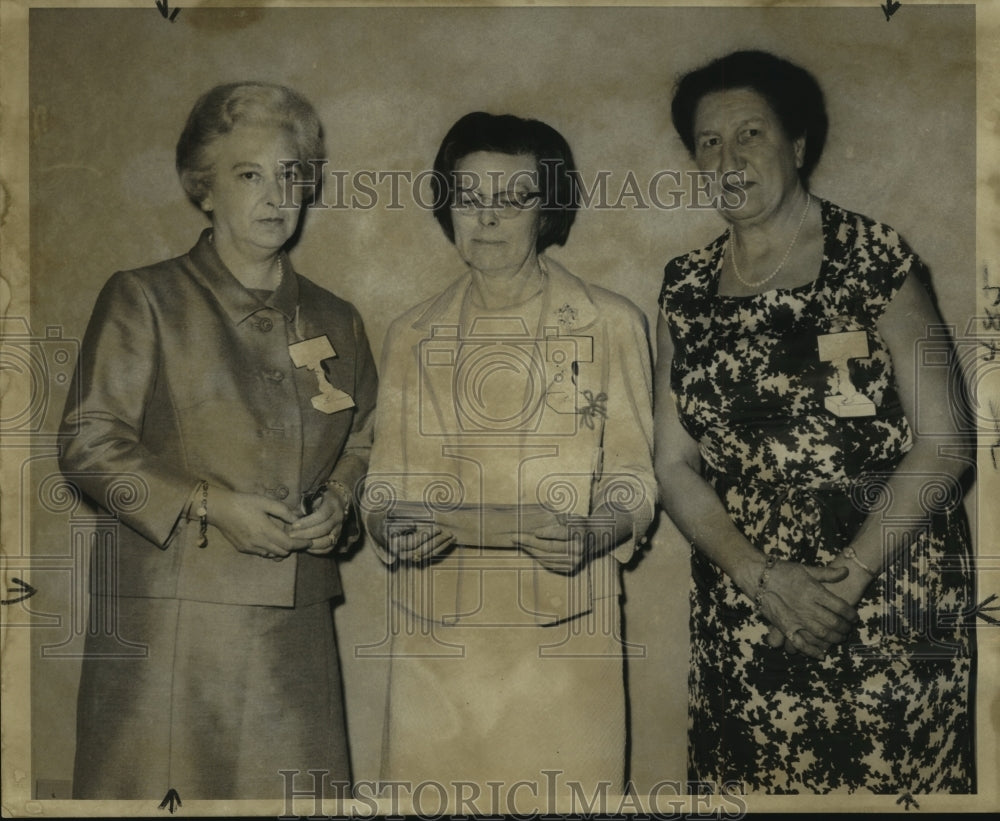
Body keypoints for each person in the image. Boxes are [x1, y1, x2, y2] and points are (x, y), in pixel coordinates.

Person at [655, 50, 975, 794]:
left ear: (798, 146)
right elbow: (673, 463)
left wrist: (840, 585)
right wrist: (762, 580)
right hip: (749, 607)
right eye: (709, 141)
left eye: (751, 134)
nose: (729, 156)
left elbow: (948, 441)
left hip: (891, 596)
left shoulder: (876, 259)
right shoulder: (684, 288)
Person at [59, 81, 377, 799]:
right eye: (248, 175)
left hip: (294, 628)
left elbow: (363, 439)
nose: (275, 196)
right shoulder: (144, 297)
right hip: (169, 627)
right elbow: (87, 443)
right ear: (203, 188)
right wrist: (209, 503)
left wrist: (340, 500)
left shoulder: (338, 317)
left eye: (291, 174)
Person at [362, 111, 655, 805]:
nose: (488, 219)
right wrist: (391, 526)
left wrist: (593, 532)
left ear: (547, 208)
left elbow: (634, 479)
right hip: (439, 636)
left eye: (513, 199)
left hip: (565, 631)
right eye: (470, 198)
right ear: (447, 207)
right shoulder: (411, 333)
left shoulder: (611, 323)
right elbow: (381, 490)